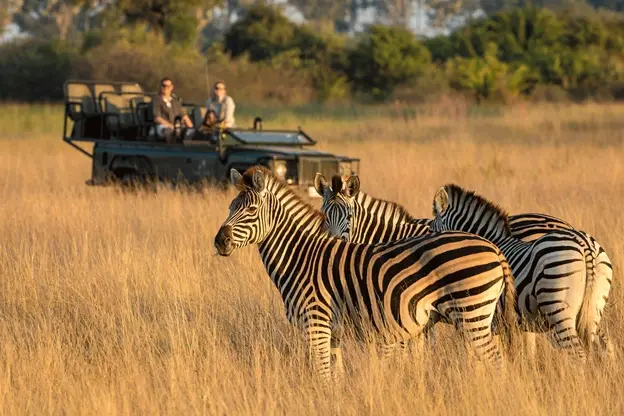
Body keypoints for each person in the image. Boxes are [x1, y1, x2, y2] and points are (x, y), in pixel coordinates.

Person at [152, 77, 195, 143]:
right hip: (162, 126)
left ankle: (187, 147)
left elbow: (184, 116)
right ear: (160, 87)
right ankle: (172, 147)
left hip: (176, 126)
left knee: (190, 132)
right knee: (169, 132)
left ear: (171, 87)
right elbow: (157, 118)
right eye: (164, 85)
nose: (166, 88)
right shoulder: (156, 100)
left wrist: (191, 128)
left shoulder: (174, 101)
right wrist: (171, 126)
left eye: (168, 86)